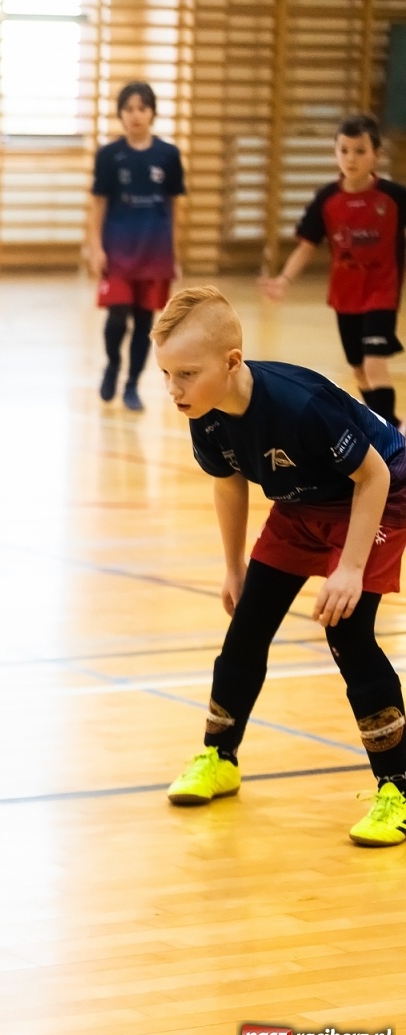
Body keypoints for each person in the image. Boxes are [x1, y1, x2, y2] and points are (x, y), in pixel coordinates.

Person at [155, 286, 406, 847]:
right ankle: (220, 757)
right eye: (167, 374)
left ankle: (400, 788)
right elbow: (229, 485)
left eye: (186, 375)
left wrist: (350, 569)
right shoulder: (206, 412)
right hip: (300, 504)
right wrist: (233, 569)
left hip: (378, 493)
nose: (174, 390)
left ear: (232, 362)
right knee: (247, 626)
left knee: (348, 631)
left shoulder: (300, 405)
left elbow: (375, 478)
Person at [260, 114, 406, 428]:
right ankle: (389, 421)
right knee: (358, 369)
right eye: (344, 150)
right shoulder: (327, 199)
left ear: (376, 154)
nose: (351, 158)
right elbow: (307, 245)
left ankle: (392, 436)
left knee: (374, 364)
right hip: (345, 296)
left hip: (382, 293)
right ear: (335, 153)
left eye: (360, 151)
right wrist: (283, 280)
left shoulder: (394, 197)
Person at [87, 81, 186, 412]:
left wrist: (176, 254)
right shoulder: (109, 155)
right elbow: (98, 204)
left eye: (142, 108)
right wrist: (94, 247)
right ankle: (112, 365)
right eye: (129, 108)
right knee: (117, 316)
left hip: (155, 252)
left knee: (146, 322)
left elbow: (175, 207)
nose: (135, 115)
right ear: (120, 114)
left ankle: (131, 384)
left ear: (152, 113)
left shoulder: (169, 155)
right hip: (117, 250)